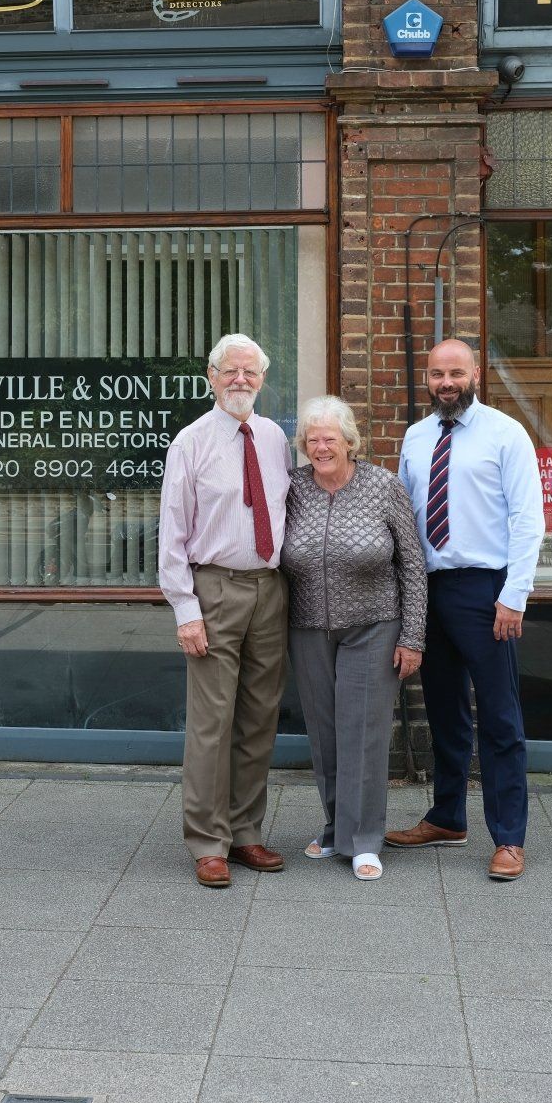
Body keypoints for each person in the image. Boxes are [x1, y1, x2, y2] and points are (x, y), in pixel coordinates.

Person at [385, 339, 544, 881]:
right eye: (436, 374)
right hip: (430, 589)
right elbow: (404, 520)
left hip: (486, 590)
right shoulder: (416, 436)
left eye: (455, 372)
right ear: (427, 380)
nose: (445, 382)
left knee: (500, 717)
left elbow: (529, 519)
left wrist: (513, 595)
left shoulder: (506, 433)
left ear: (476, 374)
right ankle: (448, 817)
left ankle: (509, 838)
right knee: (445, 710)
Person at [157, 332, 293, 889]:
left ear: (262, 379)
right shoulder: (190, 443)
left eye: (250, 372)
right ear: (210, 377)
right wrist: (185, 610)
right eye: (230, 371)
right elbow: (171, 536)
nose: (241, 380)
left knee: (259, 719)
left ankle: (246, 832)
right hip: (213, 590)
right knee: (212, 724)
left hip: (270, 589)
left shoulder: (274, 438)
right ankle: (208, 841)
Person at [281, 395, 426, 881]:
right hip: (308, 626)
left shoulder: (383, 486)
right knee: (324, 734)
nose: (320, 447)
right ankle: (333, 828)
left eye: (329, 438)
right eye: (311, 439)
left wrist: (413, 635)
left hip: (374, 625)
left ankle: (364, 840)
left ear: (349, 441)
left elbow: (413, 565)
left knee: (363, 733)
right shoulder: (294, 487)